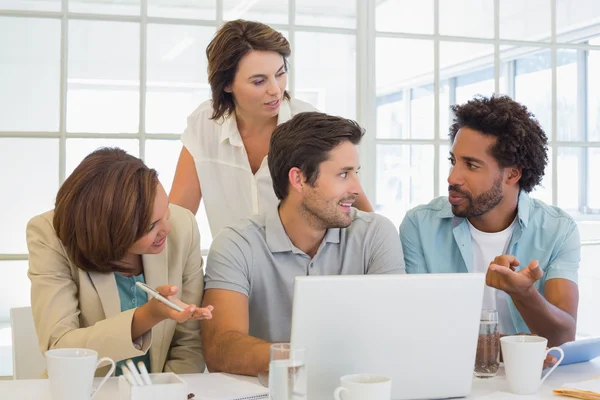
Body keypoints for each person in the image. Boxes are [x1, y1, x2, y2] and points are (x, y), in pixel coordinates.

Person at [200, 112, 405, 377]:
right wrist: (311, 359)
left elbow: (395, 334)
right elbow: (221, 348)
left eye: (356, 173)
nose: (356, 188)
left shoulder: (376, 234)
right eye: (343, 175)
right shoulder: (235, 244)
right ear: (298, 179)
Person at [400, 95, 579, 349]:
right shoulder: (419, 225)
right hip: (444, 375)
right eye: (453, 161)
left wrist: (524, 294)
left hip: (531, 381)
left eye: (471, 165)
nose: (453, 177)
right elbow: (414, 328)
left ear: (512, 174)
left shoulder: (558, 230)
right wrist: (503, 349)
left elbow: (563, 338)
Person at [169, 19, 373, 239]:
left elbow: (362, 214)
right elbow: (178, 218)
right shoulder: (204, 125)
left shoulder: (308, 124)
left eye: (280, 74)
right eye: (259, 81)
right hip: (233, 266)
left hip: (303, 266)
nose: (276, 90)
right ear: (226, 84)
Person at [26, 148, 214, 377]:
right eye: (150, 226)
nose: (167, 228)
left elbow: (189, 345)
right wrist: (148, 316)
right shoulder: (49, 235)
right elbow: (61, 348)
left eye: (166, 211)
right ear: (109, 231)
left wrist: (163, 393)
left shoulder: (183, 227)